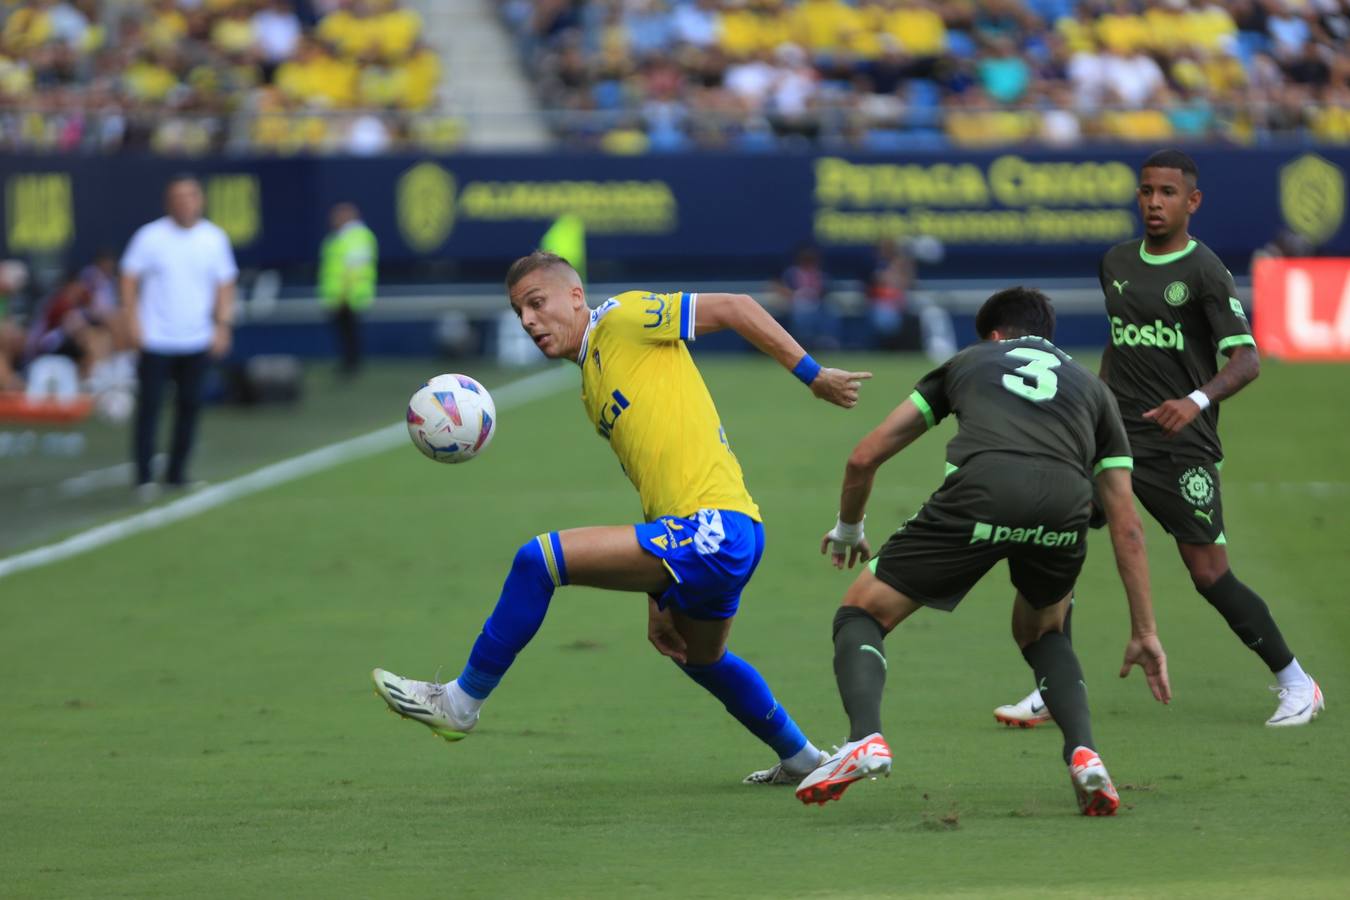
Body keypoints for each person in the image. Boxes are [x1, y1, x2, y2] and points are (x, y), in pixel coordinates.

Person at [373, 251, 873, 784]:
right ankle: (803, 759)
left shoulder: (624, 318)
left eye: (537, 304)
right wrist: (660, 595)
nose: (529, 321)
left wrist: (813, 375)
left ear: (575, 296)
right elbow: (657, 476)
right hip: (722, 533)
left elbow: (735, 307)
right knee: (703, 659)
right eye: (520, 313)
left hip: (716, 527)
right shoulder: (592, 382)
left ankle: (460, 703)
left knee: (538, 560)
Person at [794, 287, 1170, 816]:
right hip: (1067, 505)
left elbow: (863, 458)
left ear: (995, 335)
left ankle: (865, 739)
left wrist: (850, 528)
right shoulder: (1092, 388)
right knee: (1044, 631)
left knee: (861, 612)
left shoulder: (970, 360)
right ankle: (1084, 753)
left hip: (981, 492)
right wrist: (1145, 630)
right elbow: (1127, 525)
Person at [994, 149, 1323, 730]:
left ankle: (1297, 682)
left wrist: (1195, 401)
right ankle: (1054, 684)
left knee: (1208, 572)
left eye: (1167, 193)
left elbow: (1246, 361)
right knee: (1054, 539)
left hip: (1179, 444)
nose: (1153, 202)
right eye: (1147, 191)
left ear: (1191, 202)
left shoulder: (1204, 272)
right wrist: (1087, 409)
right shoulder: (1116, 262)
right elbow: (1121, 344)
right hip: (1112, 434)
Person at [121, 175, 238, 498]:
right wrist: (132, 320)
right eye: (178, 196)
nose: (185, 202)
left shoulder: (213, 238)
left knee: (190, 406)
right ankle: (144, 475)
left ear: (200, 199)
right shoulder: (150, 237)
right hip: (156, 337)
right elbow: (129, 278)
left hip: (196, 336)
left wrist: (222, 325)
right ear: (168, 202)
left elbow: (225, 284)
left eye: (191, 195)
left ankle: (177, 472)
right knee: (150, 407)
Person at [318, 202, 378, 377]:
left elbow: (355, 267)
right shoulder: (339, 237)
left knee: (350, 333)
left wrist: (345, 292)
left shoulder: (357, 236)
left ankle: (351, 365)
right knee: (344, 333)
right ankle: (347, 363)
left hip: (349, 295)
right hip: (339, 295)